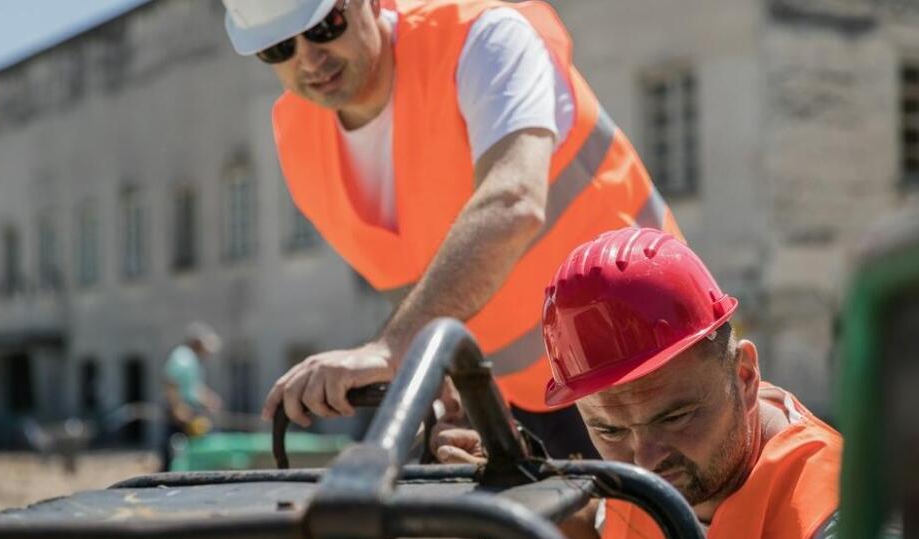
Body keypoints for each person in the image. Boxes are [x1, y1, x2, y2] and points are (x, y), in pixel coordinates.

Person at [220, 0, 682, 457]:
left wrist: (392, 348)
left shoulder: (481, 39)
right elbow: (415, 280)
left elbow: (513, 202)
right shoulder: (298, 137)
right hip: (515, 402)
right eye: (278, 47)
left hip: (649, 360)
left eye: (326, 26)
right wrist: (455, 394)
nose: (309, 58)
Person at [535, 227, 842, 539]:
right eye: (610, 431)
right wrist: (506, 486)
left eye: (674, 418)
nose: (645, 461)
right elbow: (604, 533)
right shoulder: (655, 475)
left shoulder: (835, 532)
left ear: (744, 377)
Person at [161, 322, 224, 471]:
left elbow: (193, 387)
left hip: (190, 412)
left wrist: (208, 399)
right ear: (197, 342)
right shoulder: (183, 357)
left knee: (189, 449)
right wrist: (178, 408)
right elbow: (171, 382)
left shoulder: (193, 360)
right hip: (181, 413)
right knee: (175, 450)